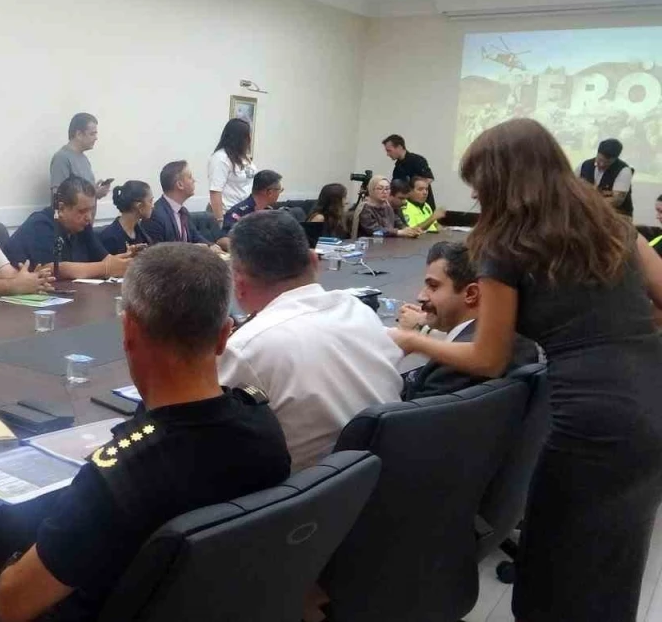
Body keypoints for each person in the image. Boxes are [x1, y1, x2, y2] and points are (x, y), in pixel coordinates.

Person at [389, 119, 662, 622]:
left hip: (590, 420)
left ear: (502, 182)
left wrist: (411, 339)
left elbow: (487, 358)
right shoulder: (616, 228)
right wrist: (626, 336)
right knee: (615, 556)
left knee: (554, 572)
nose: (476, 196)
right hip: (652, 398)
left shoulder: (505, 247)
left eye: (479, 185)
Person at [0, 244, 290, 622]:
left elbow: (11, 605)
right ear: (223, 335)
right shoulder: (265, 428)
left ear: (129, 330)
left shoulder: (119, 478)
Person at [219, 211, 403, 471]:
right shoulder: (358, 309)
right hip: (388, 472)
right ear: (315, 261)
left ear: (237, 284)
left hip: (307, 490)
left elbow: (214, 441)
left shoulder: (246, 348)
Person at [395, 242, 538, 400]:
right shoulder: (521, 341)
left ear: (471, 294)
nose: (420, 297)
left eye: (433, 286)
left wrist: (393, 351)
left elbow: (399, 413)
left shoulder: (454, 365)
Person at [7, 177, 134, 281]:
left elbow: (105, 259)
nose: (89, 217)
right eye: (82, 211)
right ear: (61, 209)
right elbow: (54, 269)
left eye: (91, 210)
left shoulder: (82, 225)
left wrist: (128, 260)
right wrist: (106, 268)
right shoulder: (40, 225)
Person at [147, 161, 219, 250]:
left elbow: (195, 236)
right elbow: (159, 252)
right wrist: (191, 248)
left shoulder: (183, 211)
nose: (194, 180)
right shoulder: (155, 215)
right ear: (180, 185)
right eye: (190, 177)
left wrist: (210, 246)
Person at [49, 113, 110, 199]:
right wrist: (94, 194)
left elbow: (83, 194)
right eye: (92, 134)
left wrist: (94, 191)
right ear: (79, 134)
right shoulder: (61, 158)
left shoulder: (84, 158)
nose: (96, 138)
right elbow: (58, 197)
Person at [207, 118, 257, 216]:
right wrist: (219, 220)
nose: (250, 139)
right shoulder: (221, 158)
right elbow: (215, 191)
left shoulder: (244, 157)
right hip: (226, 213)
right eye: (247, 136)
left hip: (244, 212)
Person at [579, 137, 634, 216]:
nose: (602, 164)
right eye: (600, 160)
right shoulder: (584, 165)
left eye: (607, 162)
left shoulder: (624, 170)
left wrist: (589, 204)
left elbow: (616, 201)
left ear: (615, 159)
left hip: (617, 216)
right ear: (597, 153)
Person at [98, 180, 155, 256]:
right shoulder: (109, 238)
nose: (153, 206)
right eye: (150, 201)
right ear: (139, 206)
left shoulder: (140, 231)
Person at [356, 176, 421, 239]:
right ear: (372, 190)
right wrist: (398, 232)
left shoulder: (387, 206)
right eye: (380, 189)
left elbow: (398, 223)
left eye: (387, 189)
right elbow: (374, 230)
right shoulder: (365, 207)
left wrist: (410, 230)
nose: (384, 192)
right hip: (369, 243)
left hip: (387, 243)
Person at [383, 133, 436, 209]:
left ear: (399, 147)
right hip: (406, 207)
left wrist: (411, 192)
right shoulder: (397, 167)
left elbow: (429, 179)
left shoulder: (417, 160)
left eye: (389, 151)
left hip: (423, 207)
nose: (388, 154)